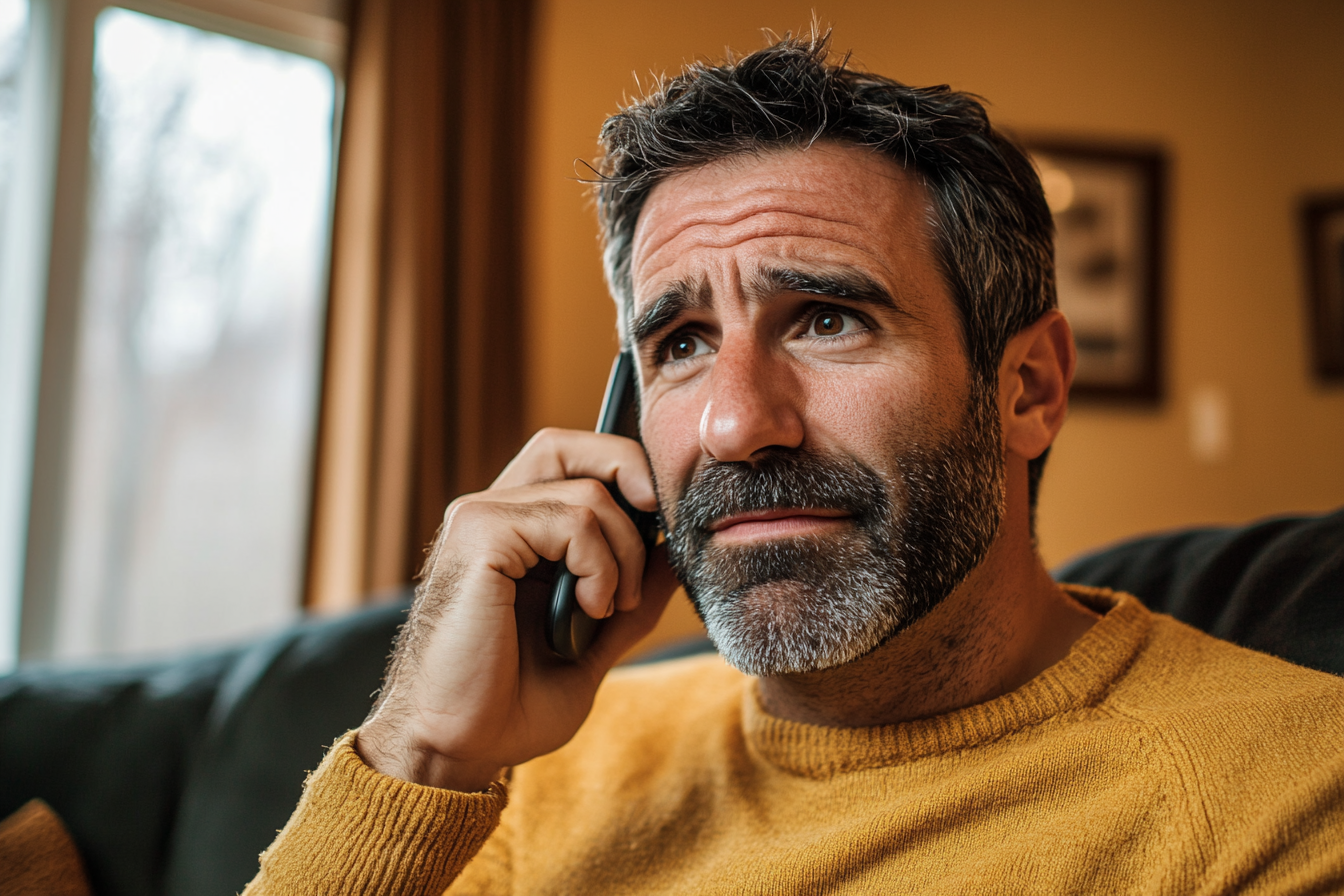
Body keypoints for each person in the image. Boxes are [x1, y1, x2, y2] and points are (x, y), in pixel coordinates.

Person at [246, 34, 1344, 895]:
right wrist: (421, 753)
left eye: (826, 319)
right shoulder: (537, 768)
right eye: (679, 345)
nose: (734, 423)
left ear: (1029, 389)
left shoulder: (1288, 792)